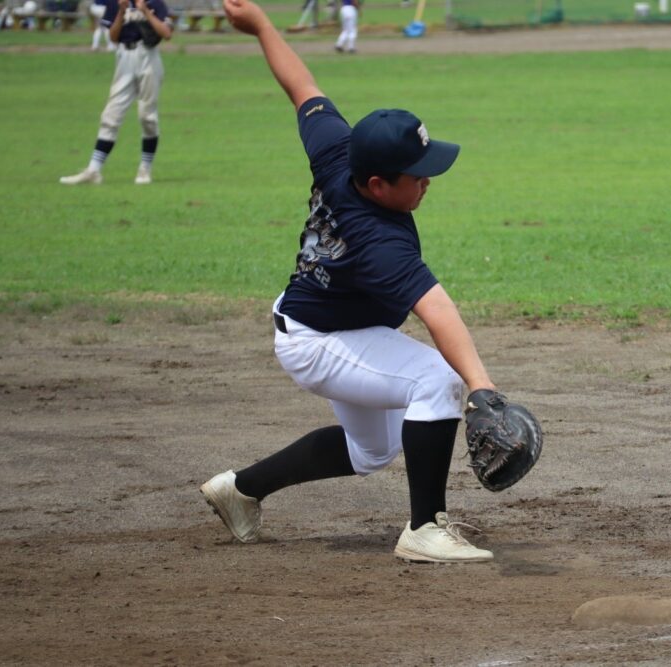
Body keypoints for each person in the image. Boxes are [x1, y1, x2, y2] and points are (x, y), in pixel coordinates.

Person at [200, 0, 499, 564]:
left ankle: (240, 490)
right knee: (439, 382)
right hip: (319, 341)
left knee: (373, 450)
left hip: (323, 322)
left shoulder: (339, 151)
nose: (429, 181)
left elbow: (302, 87)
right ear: (380, 184)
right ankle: (424, 529)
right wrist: (481, 386)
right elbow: (438, 312)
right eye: (419, 175)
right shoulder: (377, 239)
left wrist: (262, 25)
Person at [59, 0, 171, 186]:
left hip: (149, 57)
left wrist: (145, 11)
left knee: (147, 116)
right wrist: (121, 11)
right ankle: (94, 171)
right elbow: (113, 37)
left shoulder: (154, 2)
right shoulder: (116, 3)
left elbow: (166, 33)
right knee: (111, 114)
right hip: (124, 57)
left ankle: (145, 169)